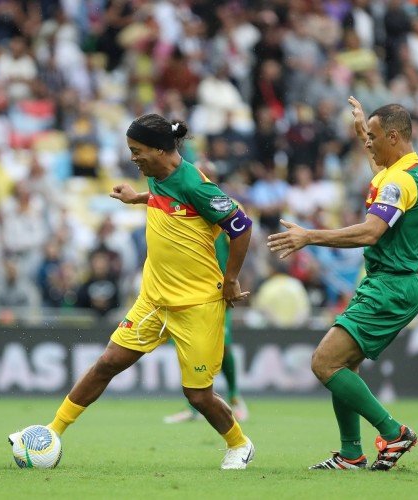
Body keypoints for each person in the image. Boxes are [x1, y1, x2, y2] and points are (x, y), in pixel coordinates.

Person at [14, 114, 255, 469]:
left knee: (198, 395)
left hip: (197, 305)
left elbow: (242, 226)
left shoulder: (195, 184)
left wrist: (231, 278)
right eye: (131, 150)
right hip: (154, 301)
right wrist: (136, 198)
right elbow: (165, 199)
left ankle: (239, 444)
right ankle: (52, 431)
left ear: (161, 149)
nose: (133, 158)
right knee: (107, 362)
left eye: (137, 151)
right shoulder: (158, 176)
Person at [267, 99, 418, 471]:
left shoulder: (399, 181)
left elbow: (372, 232)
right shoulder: (414, 170)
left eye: (373, 137)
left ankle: (394, 432)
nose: (367, 143)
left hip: (389, 286)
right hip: (390, 283)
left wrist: (309, 236)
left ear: (393, 136)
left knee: (324, 363)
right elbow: (380, 163)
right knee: (342, 365)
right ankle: (351, 454)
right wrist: (362, 127)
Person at [163, 232, 249, 424]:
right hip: (189, 291)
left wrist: (232, 280)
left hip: (218, 292)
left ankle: (234, 397)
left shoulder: (225, 207)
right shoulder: (186, 210)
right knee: (188, 346)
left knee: (223, 345)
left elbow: (241, 240)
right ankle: (194, 406)